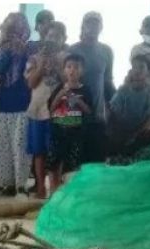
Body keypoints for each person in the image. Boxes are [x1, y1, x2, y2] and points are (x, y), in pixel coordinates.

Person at [0, 12, 32, 196]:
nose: (18, 29)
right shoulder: (2, 48)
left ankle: (21, 184)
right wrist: (9, 51)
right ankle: (7, 184)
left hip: (23, 105)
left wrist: (22, 51)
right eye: (14, 26)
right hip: (4, 105)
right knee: (4, 147)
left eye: (21, 25)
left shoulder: (30, 49)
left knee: (21, 147)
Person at [68, 12, 114, 164]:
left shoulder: (107, 51)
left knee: (97, 161)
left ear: (101, 27)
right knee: (75, 161)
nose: (93, 26)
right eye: (89, 23)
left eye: (96, 23)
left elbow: (108, 81)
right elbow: (65, 80)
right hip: (75, 112)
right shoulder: (72, 50)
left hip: (98, 114)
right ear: (83, 26)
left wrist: (112, 106)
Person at [47, 51, 93, 194]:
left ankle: (70, 193)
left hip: (76, 132)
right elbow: (51, 108)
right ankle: (54, 194)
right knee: (54, 162)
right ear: (64, 70)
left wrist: (77, 100)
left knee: (73, 163)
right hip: (58, 131)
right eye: (69, 67)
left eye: (76, 67)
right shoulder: (59, 88)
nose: (72, 70)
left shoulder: (85, 89)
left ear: (82, 70)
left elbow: (89, 111)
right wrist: (61, 94)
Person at [108, 54, 150, 157]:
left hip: (143, 129)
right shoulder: (123, 90)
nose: (137, 70)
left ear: (148, 72)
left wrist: (134, 135)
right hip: (124, 128)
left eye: (141, 67)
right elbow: (112, 112)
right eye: (134, 67)